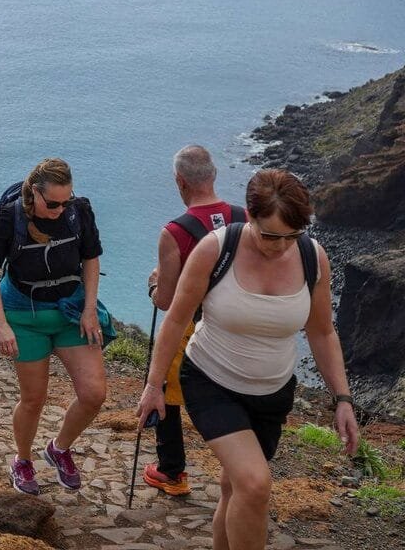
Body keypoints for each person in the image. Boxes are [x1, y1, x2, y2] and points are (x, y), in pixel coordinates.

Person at [137, 170, 359, 550]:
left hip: (273, 393)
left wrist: (342, 398)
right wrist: (154, 385)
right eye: (270, 235)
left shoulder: (312, 256)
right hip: (211, 382)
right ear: (250, 217)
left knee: (234, 486)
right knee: (255, 485)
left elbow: (322, 332)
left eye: (291, 236)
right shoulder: (215, 249)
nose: (280, 246)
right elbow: (175, 318)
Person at [0, 158, 111, 496]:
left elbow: (91, 258)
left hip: (70, 311)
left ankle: (59, 448)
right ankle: (22, 460)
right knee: (34, 398)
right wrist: (1, 324)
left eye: (65, 201)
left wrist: (90, 309)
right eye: (52, 203)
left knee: (94, 394)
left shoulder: (78, 212)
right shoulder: (11, 216)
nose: (59, 209)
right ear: (35, 193)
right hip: (25, 314)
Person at [144, 145, 246, 497]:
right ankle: (238, 469)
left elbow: (167, 300)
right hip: (236, 327)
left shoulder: (176, 231)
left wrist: (153, 284)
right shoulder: (244, 218)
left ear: (180, 181)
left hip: (193, 326)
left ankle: (172, 472)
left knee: (168, 396)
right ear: (214, 174)